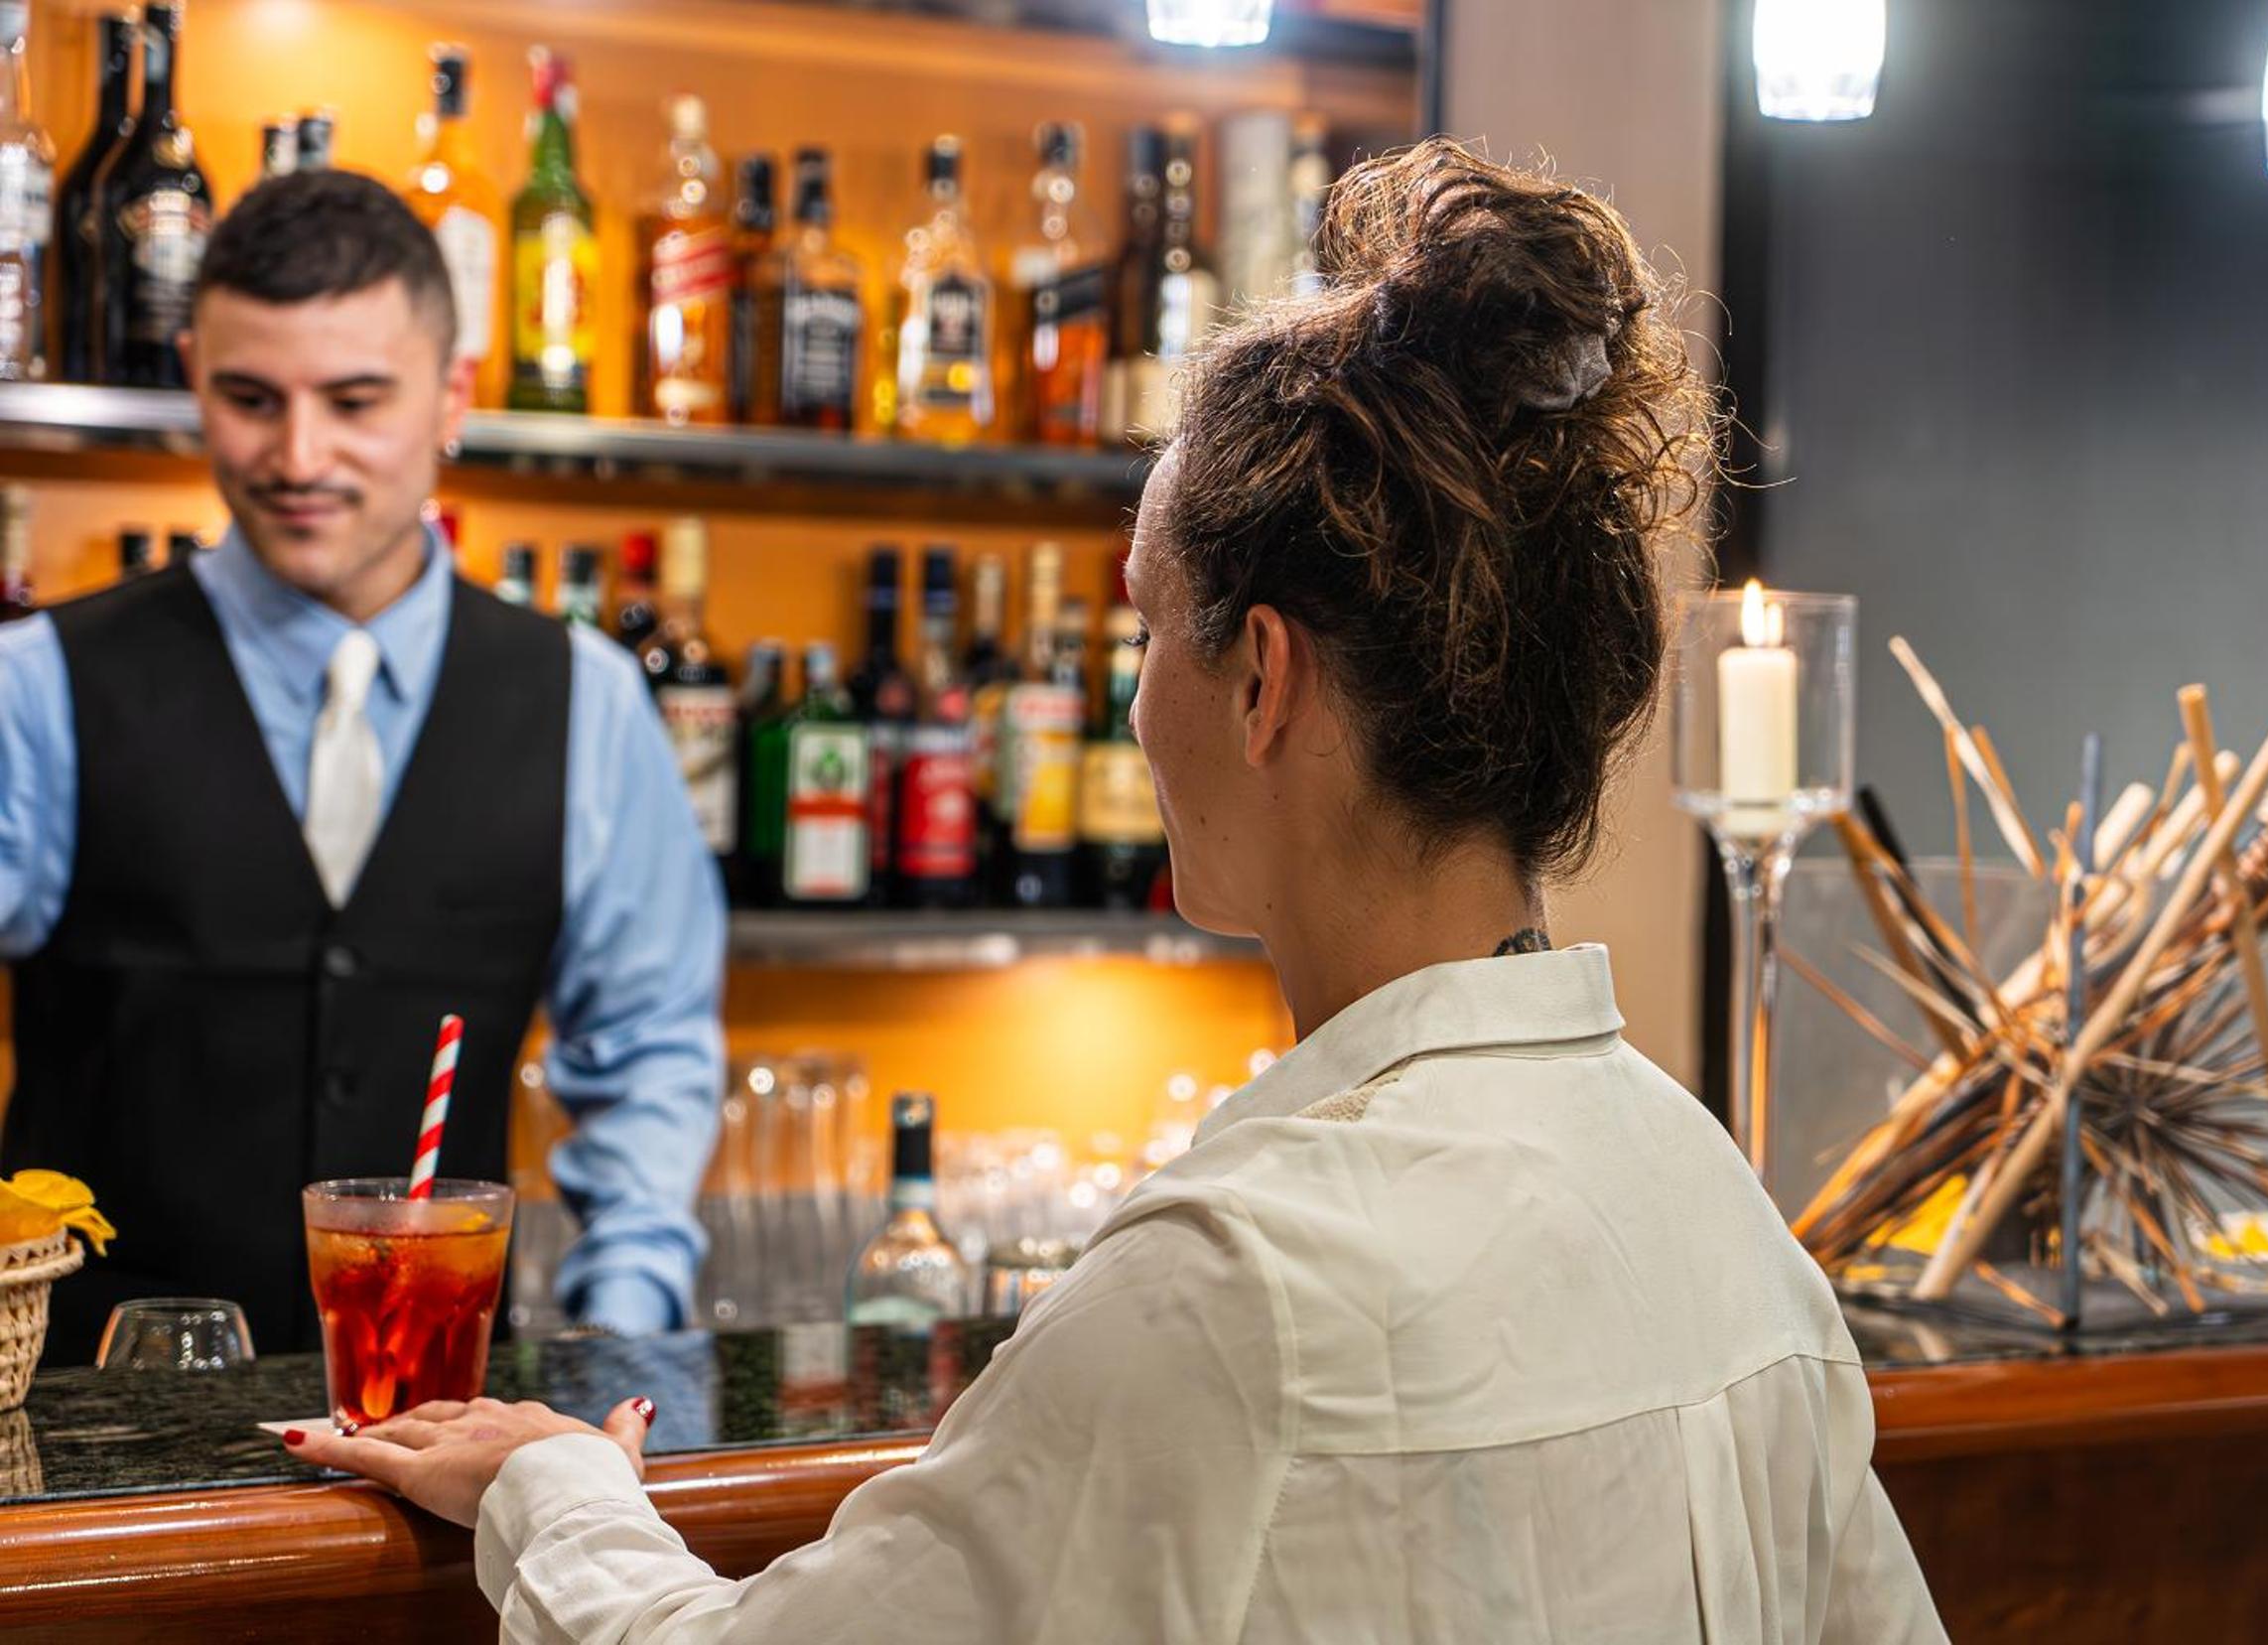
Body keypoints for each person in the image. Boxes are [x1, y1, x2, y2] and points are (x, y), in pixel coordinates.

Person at [285, 139, 1944, 1641]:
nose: (1135, 703)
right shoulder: (1714, 1204)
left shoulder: (1235, 1281)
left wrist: (555, 1486)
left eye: (1150, 625)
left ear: (1263, 680)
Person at [0, 172, 725, 1359]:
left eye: (354, 401)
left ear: (452, 395)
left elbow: (648, 1052)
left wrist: (616, 1342)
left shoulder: (584, 698)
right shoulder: (36, 684)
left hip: (441, 1409)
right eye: (250, 398)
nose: (299, 455)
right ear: (193, 375)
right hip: (92, 1419)